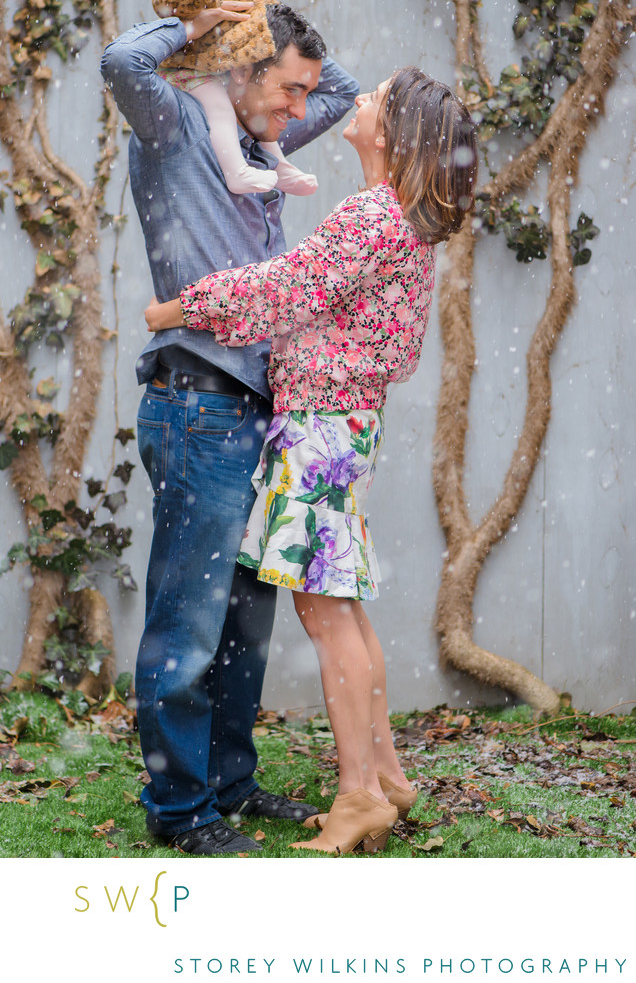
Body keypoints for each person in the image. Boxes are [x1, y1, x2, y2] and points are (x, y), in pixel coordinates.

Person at [145, 67, 478, 855]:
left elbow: (283, 290)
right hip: (346, 426)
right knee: (344, 605)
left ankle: (359, 793)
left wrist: (181, 307)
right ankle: (387, 775)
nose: (361, 100)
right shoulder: (401, 221)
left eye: (378, 99)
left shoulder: (369, 217)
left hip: (319, 427)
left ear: (396, 136)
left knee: (324, 613)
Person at [100, 0, 359, 853]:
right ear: (242, 69)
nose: (300, 109)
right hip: (196, 403)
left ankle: (228, 784)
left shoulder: (259, 141)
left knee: (245, 617)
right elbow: (122, 60)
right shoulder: (174, 129)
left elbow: (345, 86)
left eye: (299, 94)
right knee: (190, 617)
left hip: (258, 412)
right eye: (287, 89)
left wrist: (269, 6)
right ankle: (179, 813)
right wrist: (207, 19)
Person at [145, 0, 317, 196]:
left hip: (222, 64)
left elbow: (266, 8)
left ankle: (278, 166)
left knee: (257, 111)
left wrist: (283, 23)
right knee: (221, 108)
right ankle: (236, 171)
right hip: (187, 69)